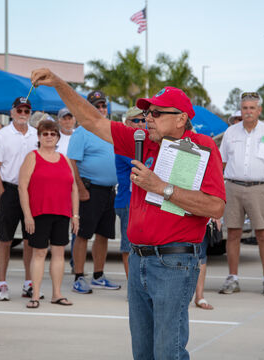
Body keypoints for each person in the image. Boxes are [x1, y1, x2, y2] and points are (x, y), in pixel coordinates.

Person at [31, 69, 225, 360]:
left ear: (181, 118)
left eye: (157, 113)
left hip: (174, 262)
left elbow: (215, 207)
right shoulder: (142, 139)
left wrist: (161, 187)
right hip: (138, 260)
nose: (149, 118)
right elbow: (92, 120)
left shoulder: (201, 147)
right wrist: (60, 83)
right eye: (148, 112)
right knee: (143, 351)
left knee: (167, 351)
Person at [219, 91, 264, 296]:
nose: (248, 112)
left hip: (259, 188)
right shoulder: (231, 132)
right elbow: (222, 162)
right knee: (233, 233)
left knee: (263, 233)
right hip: (233, 187)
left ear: (259, 110)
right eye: (245, 108)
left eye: (252, 108)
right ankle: (233, 278)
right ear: (241, 110)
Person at [18, 120, 79, 308]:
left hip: (61, 212)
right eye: (45, 134)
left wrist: (75, 215)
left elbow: (74, 188)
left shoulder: (64, 159)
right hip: (39, 212)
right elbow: (22, 186)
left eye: (53, 133)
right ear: (39, 137)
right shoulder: (32, 157)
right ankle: (35, 295)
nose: (49, 137)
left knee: (59, 253)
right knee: (39, 253)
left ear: (58, 137)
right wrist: (28, 215)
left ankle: (57, 294)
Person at [67, 90, 120, 294]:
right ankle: (79, 277)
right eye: (96, 106)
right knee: (82, 235)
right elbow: (72, 162)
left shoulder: (110, 129)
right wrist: (80, 189)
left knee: (104, 235)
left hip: (108, 191)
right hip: (89, 190)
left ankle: (98, 275)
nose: (101, 109)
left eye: (103, 105)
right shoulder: (82, 131)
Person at [0, 97, 38, 301]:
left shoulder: (37, 135)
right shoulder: (2, 135)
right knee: (5, 240)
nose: (23, 114)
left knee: (30, 240)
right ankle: (2, 283)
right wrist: (3, 194)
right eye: (19, 110)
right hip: (10, 190)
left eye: (26, 111)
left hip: (32, 191)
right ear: (12, 112)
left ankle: (29, 283)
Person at [115, 107, 146, 278]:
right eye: (136, 120)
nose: (141, 124)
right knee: (129, 247)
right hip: (128, 201)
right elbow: (143, 165)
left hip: (141, 202)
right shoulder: (124, 144)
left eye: (143, 120)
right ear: (127, 122)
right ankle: (132, 287)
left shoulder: (143, 143)